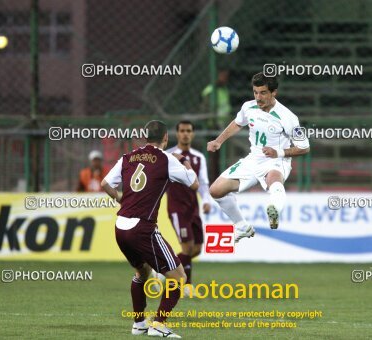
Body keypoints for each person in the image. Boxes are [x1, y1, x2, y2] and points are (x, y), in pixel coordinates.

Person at [101, 120, 198, 338]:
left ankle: (139, 323)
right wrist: (183, 159)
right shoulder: (165, 159)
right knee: (178, 277)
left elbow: (105, 183)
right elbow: (193, 184)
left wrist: (120, 199)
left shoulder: (128, 157)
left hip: (121, 226)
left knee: (142, 272)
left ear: (145, 137)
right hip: (142, 228)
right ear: (166, 138)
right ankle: (159, 324)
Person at [207, 72, 310, 242]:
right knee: (216, 191)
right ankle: (242, 226)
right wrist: (219, 141)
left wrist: (279, 152)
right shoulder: (249, 107)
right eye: (255, 92)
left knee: (274, 180)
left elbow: (304, 147)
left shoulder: (288, 117)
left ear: (273, 92)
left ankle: (274, 210)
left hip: (277, 160)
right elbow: (237, 123)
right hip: (253, 159)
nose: (258, 97)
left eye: (263, 93)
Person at [166, 120, 213, 292]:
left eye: (189, 131)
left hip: (193, 208)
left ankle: (163, 269)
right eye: (182, 131)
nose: (185, 134)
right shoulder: (169, 156)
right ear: (177, 133)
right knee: (186, 246)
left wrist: (206, 200)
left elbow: (202, 182)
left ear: (192, 134)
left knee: (196, 249)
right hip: (177, 208)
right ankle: (186, 285)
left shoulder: (198, 157)